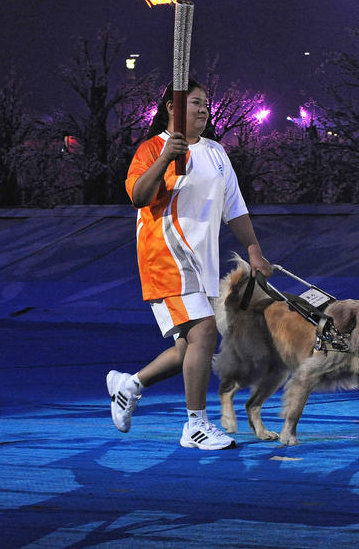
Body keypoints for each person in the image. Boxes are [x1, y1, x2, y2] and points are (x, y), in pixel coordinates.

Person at [107, 79, 273, 450]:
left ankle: (129, 384)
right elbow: (139, 196)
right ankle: (195, 425)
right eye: (195, 102)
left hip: (203, 261)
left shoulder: (215, 152)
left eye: (206, 104)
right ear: (173, 106)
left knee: (190, 347)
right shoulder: (151, 149)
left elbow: (235, 208)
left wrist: (254, 250)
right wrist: (167, 157)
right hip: (165, 255)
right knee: (204, 332)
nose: (203, 109)